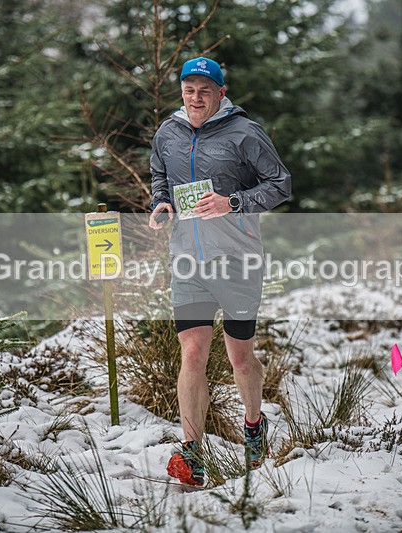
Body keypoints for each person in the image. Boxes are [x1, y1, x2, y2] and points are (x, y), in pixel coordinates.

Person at [148, 57, 291, 486]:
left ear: (221, 93)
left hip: (237, 260)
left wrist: (234, 203)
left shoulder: (245, 133)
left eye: (205, 90)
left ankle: (253, 425)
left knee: (239, 356)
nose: (196, 97)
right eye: (189, 89)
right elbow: (160, 174)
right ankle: (191, 453)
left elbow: (281, 184)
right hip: (187, 260)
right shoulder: (167, 133)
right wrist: (161, 203)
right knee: (192, 352)